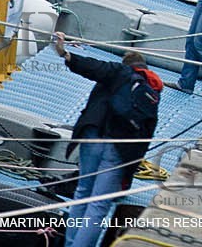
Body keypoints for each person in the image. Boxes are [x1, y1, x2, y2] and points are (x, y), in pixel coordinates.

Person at [52, 32, 161, 247]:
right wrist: (129, 171)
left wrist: (66, 54)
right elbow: (145, 134)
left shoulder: (119, 71)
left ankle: (70, 243)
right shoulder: (152, 91)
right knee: (99, 205)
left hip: (94, 138)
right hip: (120, 150)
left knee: (83, 194)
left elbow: (94, 67)